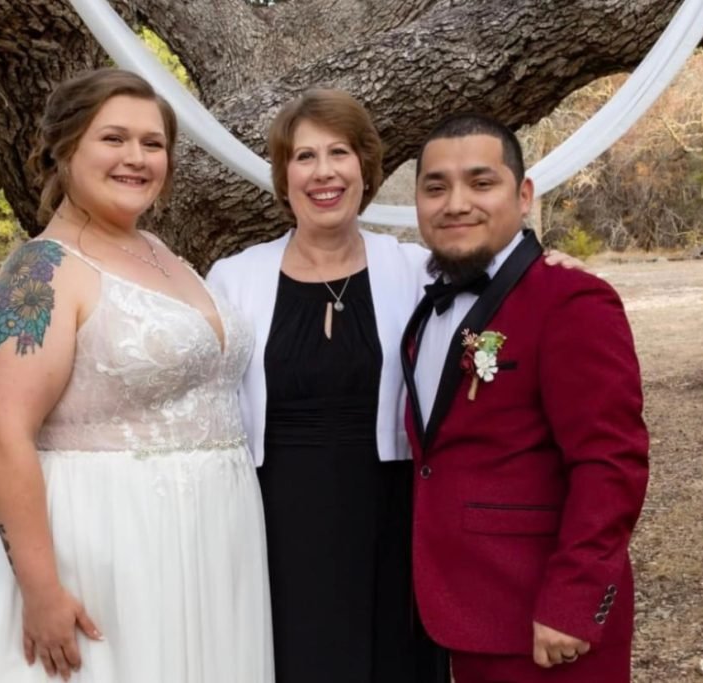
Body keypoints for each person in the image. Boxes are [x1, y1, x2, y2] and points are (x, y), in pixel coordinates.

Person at [0, 68, 273, 683]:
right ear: (64, 149)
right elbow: (0, 433)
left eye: (153, 144)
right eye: (114, 139)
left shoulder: (161, 251)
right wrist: (41, 590)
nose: (137, 158)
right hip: (111, 539)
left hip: (213, 536)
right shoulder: (41, 271)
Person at [208, 89, 447, 682]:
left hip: (391, 511)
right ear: (283, 175)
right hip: (277, 516)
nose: (323, 173)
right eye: (304, 156)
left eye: (338, 152)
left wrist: (551, 262)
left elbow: (504, 289)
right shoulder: (234, 279)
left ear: (365, 168)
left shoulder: (419, 271)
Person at [401, 112, 649, 682]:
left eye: (481, 183)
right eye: (435, 187)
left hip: (542, 620)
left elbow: (610, 463)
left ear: (525, 194)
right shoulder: (425, 302)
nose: (456, 202)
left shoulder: (572, 301)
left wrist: (573, 603)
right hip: (454, 610)